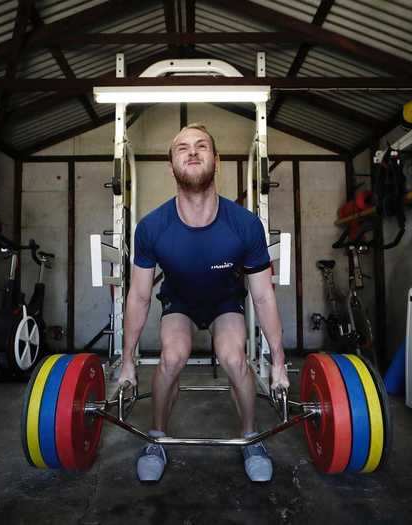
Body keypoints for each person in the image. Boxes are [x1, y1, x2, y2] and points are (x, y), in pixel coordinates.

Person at [118, 123, 289, 483]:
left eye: (201, 146)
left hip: (225, 301)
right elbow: (139, 294)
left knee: (234, 358)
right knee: (172, 357)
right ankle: (158, 437)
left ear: (217, 160)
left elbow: (262, 294)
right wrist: (128, 361)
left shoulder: (245, 225)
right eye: (182, 148)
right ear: (171, 165)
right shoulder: (151, 227)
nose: (192, 152)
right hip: (179, 301)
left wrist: (279, 362)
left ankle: (249, 437)